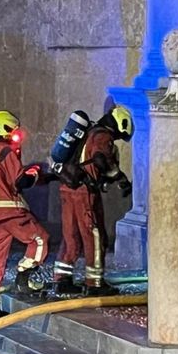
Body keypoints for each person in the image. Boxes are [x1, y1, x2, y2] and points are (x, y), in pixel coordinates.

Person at [0, 110, 49, 323]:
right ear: (5, 129)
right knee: (39, 239)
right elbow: (20, 182)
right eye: (14, 130)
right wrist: (36, 172)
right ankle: (23, 276)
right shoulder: (5, 152)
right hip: (10, 210)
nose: (17, 135)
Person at [55, 104, 133, 297]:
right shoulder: (103, 136)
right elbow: (101, 159)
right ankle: (95, 283)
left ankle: (62, 279)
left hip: (68, 187)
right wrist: (119, 178)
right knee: (95, 236)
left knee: (70, 236)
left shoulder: (88, 132)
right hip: (84, 192)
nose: (115, 140)